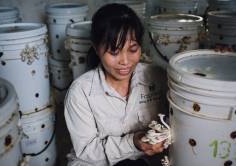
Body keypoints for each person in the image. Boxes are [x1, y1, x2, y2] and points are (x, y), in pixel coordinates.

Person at [64, 3, 168, 166]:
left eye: (133, 49)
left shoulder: (157, 77)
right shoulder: (81, 92)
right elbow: (86, 152)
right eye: (114, 52)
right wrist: (133, 142)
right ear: (96, 48)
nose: (125, 61)